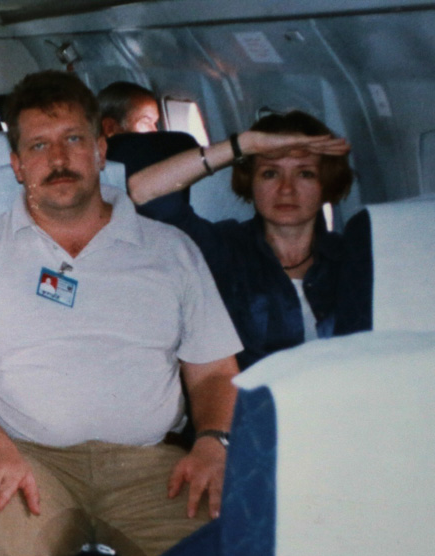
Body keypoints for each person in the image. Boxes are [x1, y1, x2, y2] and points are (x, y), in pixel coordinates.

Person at [0, 70, 243, 556]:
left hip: (155, 466)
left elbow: (215, 372)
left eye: (72, 139)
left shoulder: (171, 251)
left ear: (100, 149)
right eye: (38, 146)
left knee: (245, 555)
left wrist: (214, 442)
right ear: (17, 165)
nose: (58, 158)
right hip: (25, 460)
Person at [126, 110, 355, 369]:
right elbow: (144, 193)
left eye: (305, 174)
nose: (286, 189)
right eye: (270, 173)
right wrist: (244, 145)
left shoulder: (353, 258)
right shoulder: (225, 249)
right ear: (251, 182)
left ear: (326, 184)